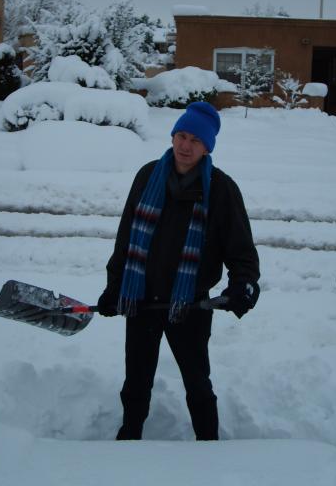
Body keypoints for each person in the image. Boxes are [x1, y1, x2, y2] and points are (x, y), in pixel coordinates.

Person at [97, 101, 260, 441]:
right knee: (136, 381)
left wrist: (243, 285)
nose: (186, 146)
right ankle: (129, 438)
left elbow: (240, 249)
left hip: (190, 305)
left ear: (207, 147)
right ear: (173, 137)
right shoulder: (147, 176)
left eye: (195, 141)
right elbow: (126, 238)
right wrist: (115, 287)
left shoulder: (221, 189)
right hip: (140, 300)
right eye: (181, 136)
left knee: (197, 382)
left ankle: (208, 442)